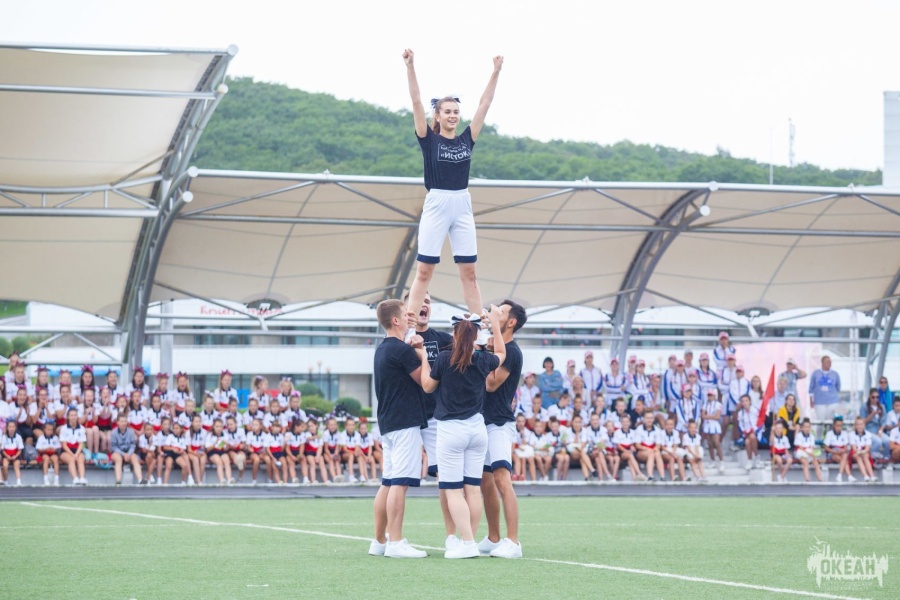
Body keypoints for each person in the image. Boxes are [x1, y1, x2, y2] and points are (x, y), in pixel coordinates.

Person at [401, 49, 503, 339]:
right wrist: (410, 66)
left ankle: (480, 329)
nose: (452, 115)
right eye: (447, 111)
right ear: (438, 115)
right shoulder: (429, 140)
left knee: (469, 272)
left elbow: (485, 104)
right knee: (424, 270)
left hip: (462, 204)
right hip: (437, 202)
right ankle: (410, 328)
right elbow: (416, 101)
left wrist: (495, 71)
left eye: (456, 112)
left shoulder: (466, 140)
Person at [420, 307, 505, 559]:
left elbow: (427, 386)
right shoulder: (483, 359)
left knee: (453, 489)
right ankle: (470, 541)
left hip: (451, 431)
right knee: (473, 489)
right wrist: (496, 325)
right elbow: (501, 354)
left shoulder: (445, 358)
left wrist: (423, 357)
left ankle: (466, 543)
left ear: (454, 334)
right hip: (477, 429)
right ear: (476, 334)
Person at [369, 299, 431, 559]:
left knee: (388, 481)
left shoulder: (383, 349)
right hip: (404, 422)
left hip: (389, 422)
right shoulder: (401, 350)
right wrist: (424, 354)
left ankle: (379, 541)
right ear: (395, 320)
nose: (410, 317)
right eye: (405, 314)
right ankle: (395, 541)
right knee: (400, 483)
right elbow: (426, 382)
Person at [479, 300, 525, 559]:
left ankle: (513, 541)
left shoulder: (512, 351)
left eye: (502, 312)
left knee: (502, 479)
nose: (495, 313)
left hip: (499, 423)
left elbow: (491, 384)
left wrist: (483, 354)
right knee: (485, 482)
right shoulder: (494, 347)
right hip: (483, 421)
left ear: (511, 322)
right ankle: (493, 537)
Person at [110, 413, 144, 485]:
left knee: (134, 458)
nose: (124, 423)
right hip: (118, 452)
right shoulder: (113, 433)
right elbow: (114, 447)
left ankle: (140, 479)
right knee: (118, 459)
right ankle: (118, 481)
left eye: (125, 421)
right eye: (122, 421)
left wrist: (128, 454)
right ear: (118, 422)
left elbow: (132, 445)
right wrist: (123, 454)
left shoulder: (131, 432)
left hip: (129, 452)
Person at [809, 356, 844, 423]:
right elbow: (811, 388)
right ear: (822, 363)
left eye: (830, 361)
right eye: (827, 361)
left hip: (833, 401)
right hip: (819, 402)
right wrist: (811, 400)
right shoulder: (816, 373)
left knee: (832, 421)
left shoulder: (835, 374)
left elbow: (838, 387)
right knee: (821, 422)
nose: (829, 363)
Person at [59, 408, 87, 485]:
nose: (73, 417)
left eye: (75, 415)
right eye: (71, 415)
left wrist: (76, 454)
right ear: (68, 417)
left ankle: (82, 478)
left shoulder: (81, 428)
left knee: (80, 459)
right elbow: (64, 445)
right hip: (66, 451)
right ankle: (75, 478)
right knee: (71, 460)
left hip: (77, 450)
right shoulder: (64, 428)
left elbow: (81, 444)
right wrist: (72, 455)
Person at [859, 389, 890, 458]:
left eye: (877, 397)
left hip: (878, 430)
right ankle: (870, 456)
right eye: (873, 397)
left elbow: (884, 421)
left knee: (887, 441)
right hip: (868, 430)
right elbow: (862, 421)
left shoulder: (882, 407)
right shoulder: (864, 407)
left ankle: (886, 457)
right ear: (869, 397)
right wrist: (872, 414)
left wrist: (880, 431)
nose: (875, 399)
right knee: (878, 441)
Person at [614, 415, 645, 481]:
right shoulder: (617, 432)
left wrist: (632, 447)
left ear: (630, 423)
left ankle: (634, 478)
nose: (625, 423)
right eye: (623, 422)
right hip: (622, 452)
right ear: (621, 423)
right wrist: (626, 451)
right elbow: (618, 446)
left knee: (630, 460)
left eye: (627, 421)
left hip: (630, 452)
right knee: (630, 455)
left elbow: (633, 444)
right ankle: (639, 473)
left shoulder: (633, 432)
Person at [701, 388, 725, 474]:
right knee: (710, 444)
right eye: (709, 395)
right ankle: (712, 460)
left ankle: (721, 462)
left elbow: (717, 417)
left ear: (715, 396)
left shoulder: (718, 404)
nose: (710, 397)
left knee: (717, 443)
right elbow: (703, 416)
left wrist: (707, 416)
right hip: (707, 425)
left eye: (711, 395)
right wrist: (711, 416)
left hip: (715, 425)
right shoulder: (705, 404)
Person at [736, 394, 761, 470]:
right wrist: (744, 430)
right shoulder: (740, 413)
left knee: (752, 437)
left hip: (756, 431)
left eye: (746, 401)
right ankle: (750, 461)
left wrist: (754, 429)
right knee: (747, 441)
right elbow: (740, 424)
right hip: (746, 433)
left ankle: (756, 457)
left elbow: (760, 422)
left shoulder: (755, 410)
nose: (745, 403)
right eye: (743, 401)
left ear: (750, 401)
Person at [794, 418, 823, 482]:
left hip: (809, 453)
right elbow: (800, 447)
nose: (807, 429)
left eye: (808, 427)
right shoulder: (799, 435)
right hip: (801, 453)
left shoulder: (811, 436)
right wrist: (809, 453)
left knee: (816, 463)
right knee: (805, 463)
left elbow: (812, 447)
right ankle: (807, 480)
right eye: (805, 427)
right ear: (802, 428)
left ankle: (820, 479)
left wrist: (812, 453)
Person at [823, 416, 851, 483]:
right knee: (843, 460)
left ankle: (840, 475)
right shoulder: (829, 434)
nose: (839, 427)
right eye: (837, 425)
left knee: (844, 456)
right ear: (834, 425)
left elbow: (846, 447)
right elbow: (826, 447)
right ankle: (848, 475)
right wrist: (834, 451)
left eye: (840, 426)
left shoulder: (844, 434)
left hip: (841, 453)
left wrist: (842, 450)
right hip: (832, 453)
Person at [658, 416, 686, 482]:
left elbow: (675, 444)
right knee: (671, 458)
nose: (669, 426)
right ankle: (673, 477)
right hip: (665, 451)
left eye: (671, 424)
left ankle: (684, 477)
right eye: (668, 424)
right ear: (665, 425)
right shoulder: (661, 433)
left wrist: (673, 451)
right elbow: (662, 447)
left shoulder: (676, 432)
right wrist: (671, 453)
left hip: (673, 451)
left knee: (679, 458)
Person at [162, 421, 190, 485]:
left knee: (184, 465)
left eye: (177, 428)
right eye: (174, 428)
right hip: (170, 453)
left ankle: (183, 482)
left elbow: (184, 448)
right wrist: (173, 449)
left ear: (181, 429)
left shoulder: (182, 438)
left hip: (178, 454)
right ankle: (165, 483)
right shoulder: (170, 436)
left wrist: (181, 450)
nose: (175, 430)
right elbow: (165, 447)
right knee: (168, 465)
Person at [849, 417, 876, 483]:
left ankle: (872, 476)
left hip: (864, 452)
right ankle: (865, 476)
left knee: (865, 456)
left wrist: (862, 452)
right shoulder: (851, 434)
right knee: (858, 457)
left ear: (864, 425)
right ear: (855, 426)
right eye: (857, 424)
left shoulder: (868, 434)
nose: (859, 426)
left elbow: (867, 448)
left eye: (861, 424)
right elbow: (854, 448)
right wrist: (858, 452)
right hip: (855, 453)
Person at [36, 421, 61, 486]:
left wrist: (54, 449)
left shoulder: (55, 438)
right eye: (48, 430)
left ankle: (56, 478)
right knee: (46, 458)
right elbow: (38, 449)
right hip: (44, 453)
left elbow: (58, 448)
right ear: (44, 430)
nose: (50, 431)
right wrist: (45, 449)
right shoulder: (41, 438)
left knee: (55, 459)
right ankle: (45, 478)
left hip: (53, 453)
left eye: (51, 430)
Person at [1, 420, 24, 486]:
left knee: (16, 465)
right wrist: (7, 456)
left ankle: (19, 481)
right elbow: (2, 450)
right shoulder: (4, 437)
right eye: (10, 427)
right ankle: (6, 481)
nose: (11, 429)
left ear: (15, 428)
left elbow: (20, 449)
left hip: (16, 455)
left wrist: (15, 456)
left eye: (13, 427)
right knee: (5, 465)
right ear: (7, 428)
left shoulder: (18, 437)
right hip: (6, 455)